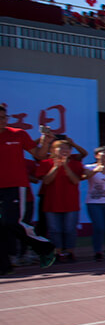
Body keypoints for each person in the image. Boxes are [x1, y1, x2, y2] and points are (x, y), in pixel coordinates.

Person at [0, 103, 55, 274]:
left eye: (4, 117)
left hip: (15, 186)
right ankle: (4, 265)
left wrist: (46, 141)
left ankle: (45, 247)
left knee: (12, 222)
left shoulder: (18, 134)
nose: (2, 121)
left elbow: (39, 155)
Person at [37, 138, 85, 262]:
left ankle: (70, 252)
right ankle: (57, 252)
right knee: (54, 230)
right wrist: (55, 167)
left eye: (67, 148)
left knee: (70, 229)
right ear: (53, 150)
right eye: (61, 148)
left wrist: (66, 166)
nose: (65, 150)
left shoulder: (76, 164)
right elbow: (46, 181)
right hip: (51, 203)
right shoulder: (45, 163)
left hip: (71, 203)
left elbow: (76, 181)